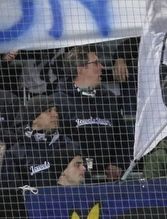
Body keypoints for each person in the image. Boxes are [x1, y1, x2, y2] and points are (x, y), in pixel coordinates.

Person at [53, 47, 131, 181]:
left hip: (107, 179)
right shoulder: (58, 101)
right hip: (74, 182)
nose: (102, 67)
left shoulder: (109, 99)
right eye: (95, 63)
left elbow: (122, 136)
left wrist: (118, 163)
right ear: (80, 69)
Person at [0, 97, 83, 188]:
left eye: (55, 110)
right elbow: (12, 189)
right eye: (48, 111)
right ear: (34, 118)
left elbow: (84, 179)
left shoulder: (70, 146)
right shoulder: (16, 153)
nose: (55, 114)